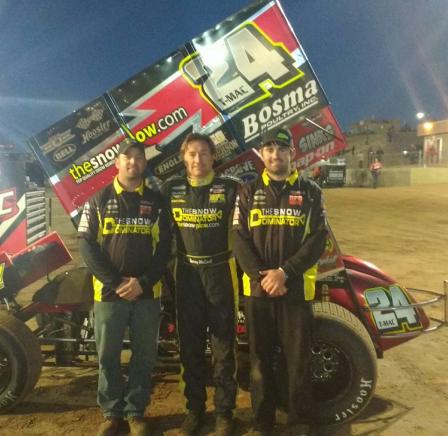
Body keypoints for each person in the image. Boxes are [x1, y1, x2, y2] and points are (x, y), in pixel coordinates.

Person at [232, 127, 327, 435]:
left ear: (291, 153)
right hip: (258, 292)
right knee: (259, 360)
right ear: (262, 154)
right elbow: (238, 238)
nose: (275, 155)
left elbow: (317, 239)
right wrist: (263, 277)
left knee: (297, 360)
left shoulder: (311, 190)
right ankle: (262, 421)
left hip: (294, 290)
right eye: (268, 149)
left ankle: (299, 421)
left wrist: (284, 272)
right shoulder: (247, 192)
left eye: (281, 149)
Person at [78, 138, 171, 436]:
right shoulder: (98, 199)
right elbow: (86, 246)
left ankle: (135, 412)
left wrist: (142, 283)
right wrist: (117, 282)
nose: (133, 162)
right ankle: (111, 412)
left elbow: (166, 249)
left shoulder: (156, 202)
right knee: (107, 356)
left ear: (145, 163)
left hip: (146, 293)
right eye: (127, 157)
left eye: (138, 158)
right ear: (117, 163)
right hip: (108, 293)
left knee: (144, 355)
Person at [162, 133, 239, 436]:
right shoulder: (171, 189)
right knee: (190, 347)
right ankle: (194, 410)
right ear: (183, 158)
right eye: (192, 154)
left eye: (204, 153)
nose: (198, 159)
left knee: (223, 347)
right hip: (187, 275)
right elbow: (162, 236)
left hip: (221, 273)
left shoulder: (230, 188)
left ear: (213, 157)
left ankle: (224, 413)